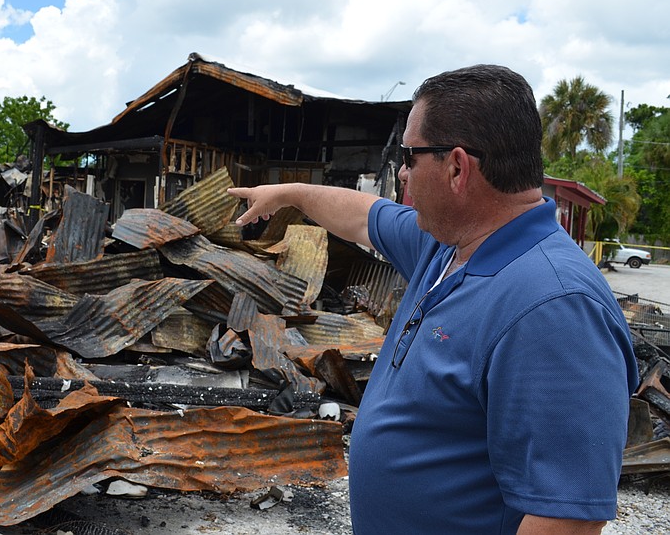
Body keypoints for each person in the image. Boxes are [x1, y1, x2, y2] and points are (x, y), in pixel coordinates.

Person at [228, 64, 638, 535]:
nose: (401, 173)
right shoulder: (447, 244)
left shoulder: (555, 306)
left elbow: (566, 519)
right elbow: (363, 217)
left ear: (457, 168)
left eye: (409, 156)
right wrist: (289, 192)